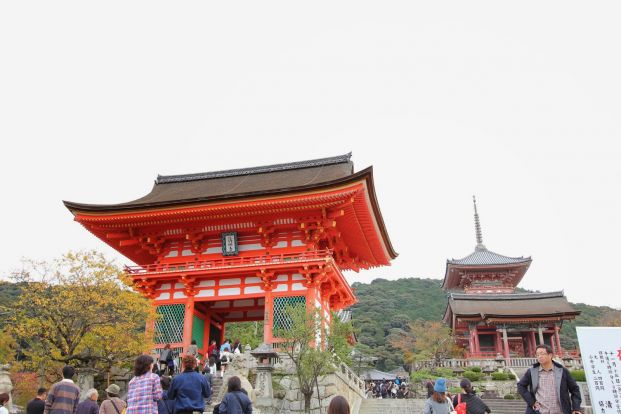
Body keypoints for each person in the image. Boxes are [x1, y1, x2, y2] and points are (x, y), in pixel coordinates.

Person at [517, 344, 581, 414]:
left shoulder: (562, 371)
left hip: (560, 411)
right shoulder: (532, 371)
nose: (539, 356)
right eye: (537, 354)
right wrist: (531, 402)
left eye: (542, 354)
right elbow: (520, 385)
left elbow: (575, 389)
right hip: (539, 411)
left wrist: (576, 408)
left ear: (550, 355)